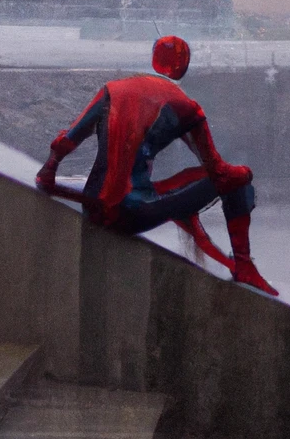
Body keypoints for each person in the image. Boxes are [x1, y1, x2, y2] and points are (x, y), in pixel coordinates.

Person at [35, 35, 277, 296]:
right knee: (239, 180)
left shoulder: (112, 91)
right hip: (133, 213)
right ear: (183, 65)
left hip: (95, 205)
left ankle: (208, 237)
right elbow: (219, 173)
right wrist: (246, 173)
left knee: (192, 177)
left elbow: (66, 140)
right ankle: (243, 264)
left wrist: (49, 170)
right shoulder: (186, 108)